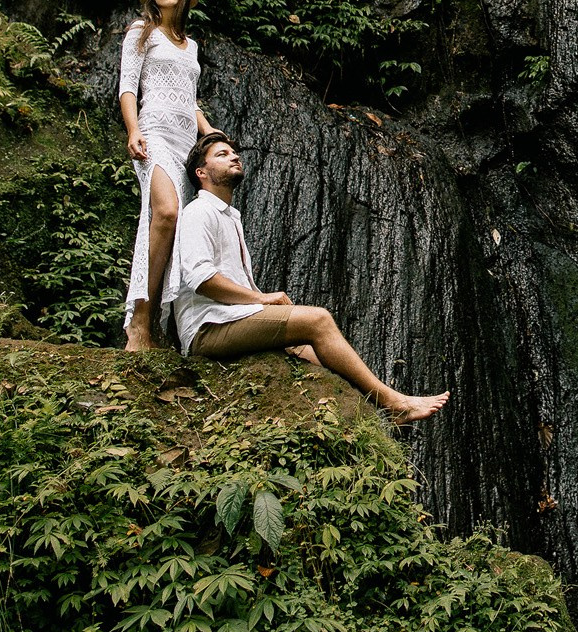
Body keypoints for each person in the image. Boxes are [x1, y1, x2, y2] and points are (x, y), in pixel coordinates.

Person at [167, 131, 450, 424]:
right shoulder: (199, 211)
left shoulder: (228, 217)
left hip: (230, 318)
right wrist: (261, 298)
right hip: (207, 328)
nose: (234, 156)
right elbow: (201, 278)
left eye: (233, 152)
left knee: (310, 350)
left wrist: (261, 306)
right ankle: (393, 402)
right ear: (201, 172)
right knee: (317, 320)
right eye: (222, 155)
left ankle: (371, 415)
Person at [119, 0, 215, 351]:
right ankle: (139, 321)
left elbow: (189, 101)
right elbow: (128, 87)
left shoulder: (191, 45)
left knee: (172, 228)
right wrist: (133, 130)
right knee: (167, 212)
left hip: (184, 143)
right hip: (153, 134)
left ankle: (156, 322)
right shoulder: (140, 32)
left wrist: (208, 130)